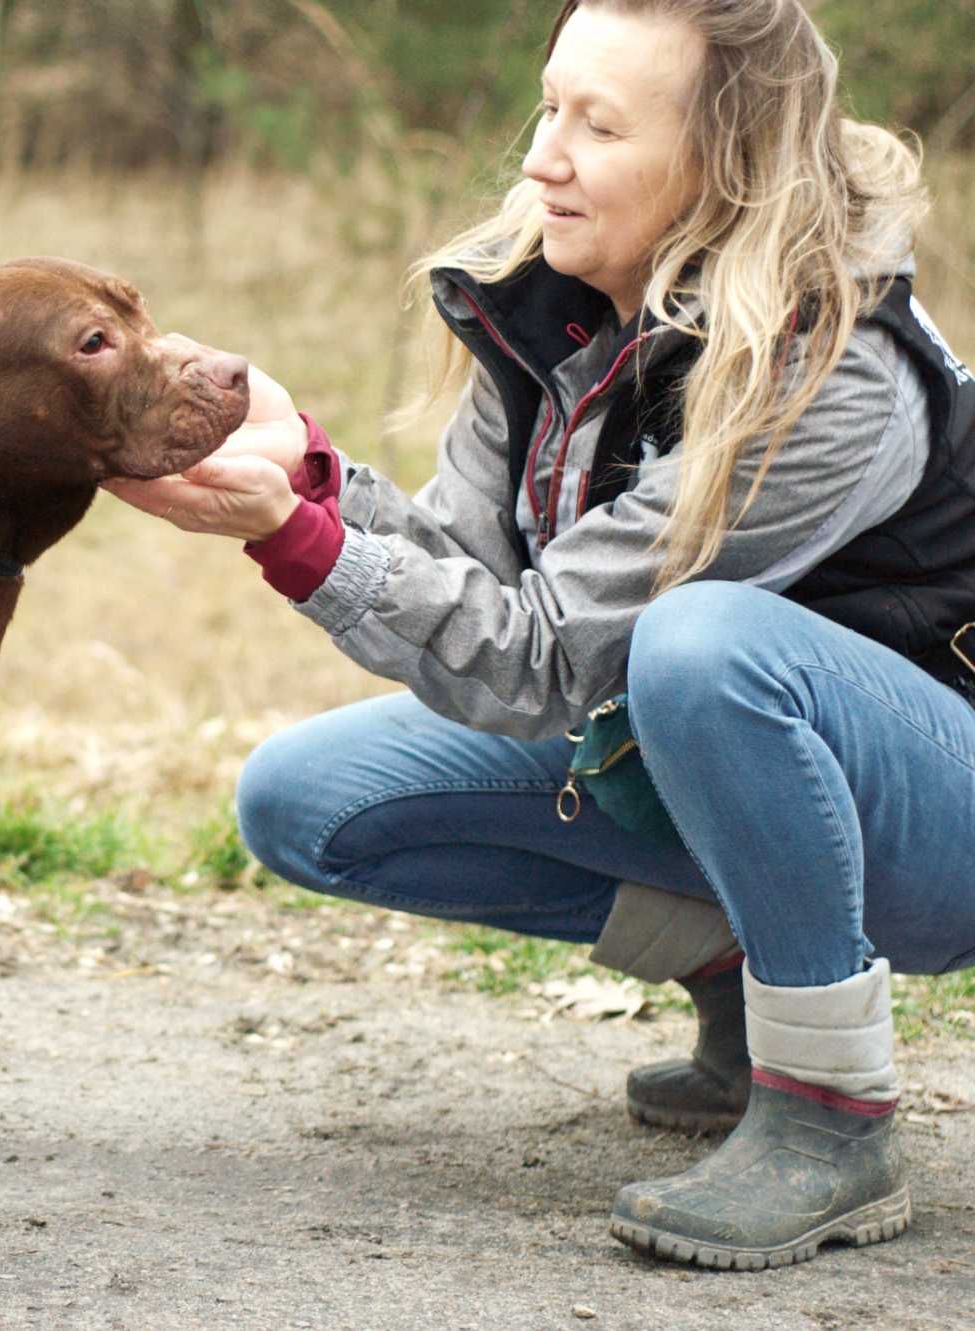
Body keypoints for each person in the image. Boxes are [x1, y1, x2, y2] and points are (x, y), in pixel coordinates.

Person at [103, 0, 975, 1271]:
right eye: (548, 105)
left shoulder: (828, 367)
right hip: (746, 760)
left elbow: (551, 662)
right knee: (308, 798)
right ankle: (747, 960)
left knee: (698, 646)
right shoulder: (546, 307)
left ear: (721, 164)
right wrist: (314, 480)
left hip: (939, 809)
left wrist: (306, 545)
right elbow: (479, 586)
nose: (540, 158)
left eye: (599, 126)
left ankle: (829, 1119)